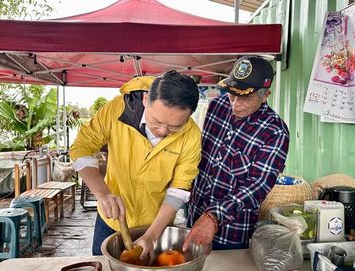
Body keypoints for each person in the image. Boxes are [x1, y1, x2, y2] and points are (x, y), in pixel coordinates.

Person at [70, 71, 201, 260]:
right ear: (146, 99)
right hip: (110, 221)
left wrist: (151, 236)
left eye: (174, 127)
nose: (163, 131)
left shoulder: (192, 135)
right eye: (157, 122)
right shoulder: (118, 109)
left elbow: (179, 189)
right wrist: (102, 193)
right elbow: (82, 147)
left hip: (156, 223)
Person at [184, 56, 290, 250]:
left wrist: (214, 217)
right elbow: (202, 155)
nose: (236, 104)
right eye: (232, 94)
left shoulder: (275, 131)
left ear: (265, 94)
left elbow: (258, 185)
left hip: (231, 231)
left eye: (245, 97)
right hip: (195, 212)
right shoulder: (217, 106)